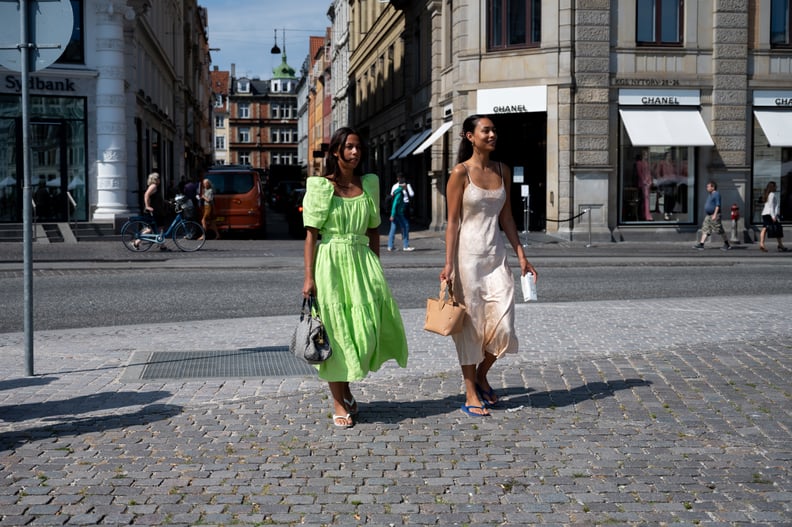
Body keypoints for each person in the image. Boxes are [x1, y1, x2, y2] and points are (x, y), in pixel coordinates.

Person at [301, 126, 408, 428]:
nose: (355, 152)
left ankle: (345, 389)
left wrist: (376, 266)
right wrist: (309, 277)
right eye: (348, 147)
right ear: (336, 151)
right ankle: (338, 400)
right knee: (334, 331)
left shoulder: (369, 184)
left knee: (365, 331)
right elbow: (311, 235)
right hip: (331, 262)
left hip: (362, 262)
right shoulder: (321, 186)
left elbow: (373, 229)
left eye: (358, 147)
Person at [440, 115, 537, 417]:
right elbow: (452, 221)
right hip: (466, 258)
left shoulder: (502, 170)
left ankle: (482, 374)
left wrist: (521, 254)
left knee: (504, 325)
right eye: (486, 130)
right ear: (470, 136)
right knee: (470, 326)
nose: (493, 134)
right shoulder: (460, 173)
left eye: (494, 130)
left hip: (496, 256)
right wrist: (447, 265)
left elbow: (506, 217)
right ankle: (471, 390)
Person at [693, 180, 732, 251]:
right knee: (705, 228)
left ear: (713, 187)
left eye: (708, 187)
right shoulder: (710, 195)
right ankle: (701, 244)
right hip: (708, 215)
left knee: (719, 230)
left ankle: (727, 244)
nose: (707, 188)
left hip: (714, 215)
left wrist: (715, 214)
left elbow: (718, 205)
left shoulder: (716, 194)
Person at [759, 181, 788, 252]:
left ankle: (762, 244)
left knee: (764, 228)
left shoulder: (767, 194)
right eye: (775, 186)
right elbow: (771, 206)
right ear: (773, 187)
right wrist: (773, 216)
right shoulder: (771, 194)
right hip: (769, 214)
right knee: (777, 229)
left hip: (765, 213)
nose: (777, 187)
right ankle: (780, 245)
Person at [387, 180, 413, 251]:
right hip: (398, 214)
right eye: (406, 186)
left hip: (396, 213)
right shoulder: (399, 193)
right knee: (405, 226)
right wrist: (392, 215)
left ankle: (390, 246)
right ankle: (406, 246)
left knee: (393, 229)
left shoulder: (397, 191)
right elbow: (395, 204)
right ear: (403, 185)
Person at [654, 151, 678, 220]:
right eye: (668, 155)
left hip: (672, 182)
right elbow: (658, 172)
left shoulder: (671, 163)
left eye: (670, 156)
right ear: (665, 156)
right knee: (667, 198)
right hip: (665, 182)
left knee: (673, 198)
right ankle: (666, 213)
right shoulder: (662, 163)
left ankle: (669, 211)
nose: (669, 157)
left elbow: (674, 172)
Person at [635, 149, 653, 221]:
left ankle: (645, 214)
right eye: (645, 154)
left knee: (646, 199)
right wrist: (644, 181)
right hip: (643, 183)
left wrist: (650, 181)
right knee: (645, 199)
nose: (647, 156)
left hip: (647, 183)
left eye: (647, 154)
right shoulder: (639, 163)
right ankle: (646, 215)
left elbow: (649, 173)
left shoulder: (646, 163)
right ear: (642, 155)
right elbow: (639, 173)